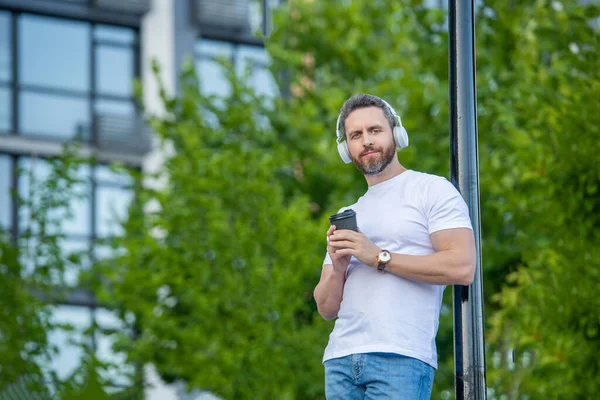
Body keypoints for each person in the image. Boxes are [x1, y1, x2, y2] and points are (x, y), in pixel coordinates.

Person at [313, 94, 476, 399]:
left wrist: (378, 257)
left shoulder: (432, 189)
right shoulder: (350, 213)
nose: (366, 141)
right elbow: (325, 308)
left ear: (396, 134)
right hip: (340, 359)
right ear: (346, 148)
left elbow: (463, 266)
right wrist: (337, 268)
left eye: (375, 130)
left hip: (399, 356)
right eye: (356, 135)